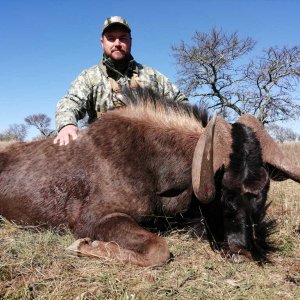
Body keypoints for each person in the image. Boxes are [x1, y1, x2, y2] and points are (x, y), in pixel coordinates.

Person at [54, 16, 188, 146]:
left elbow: (181, 103)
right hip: (104, 154)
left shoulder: (152, 75)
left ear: (130, 41)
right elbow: (70, 102)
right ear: (102, 43)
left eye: (122, 38)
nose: (117, 44)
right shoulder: (89, 77)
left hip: (150, 153)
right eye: (111, 38)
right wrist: (67, 125)